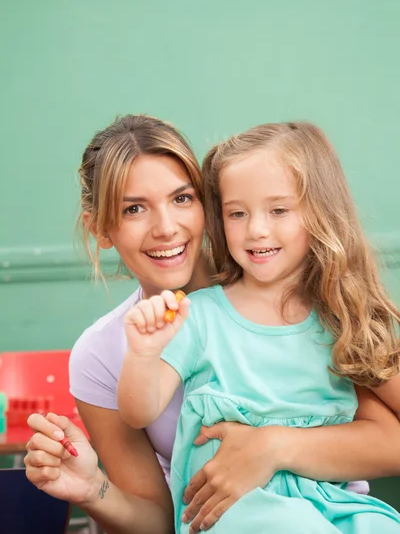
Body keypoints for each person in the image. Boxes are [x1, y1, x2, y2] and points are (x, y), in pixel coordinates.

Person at [24, 116, 400, 534]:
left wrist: (270, 447)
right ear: (101, 229)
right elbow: (164, 521)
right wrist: (94, 489)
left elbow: (387, 439)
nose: (166, 228)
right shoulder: (110, 351)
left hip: (334, 509)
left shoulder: (302, 297)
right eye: (134, 209)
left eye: (182, 198)